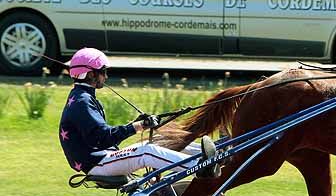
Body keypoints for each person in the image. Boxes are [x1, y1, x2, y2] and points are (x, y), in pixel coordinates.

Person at [58, 47, 217, 178]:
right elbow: (103, 138)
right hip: (97, 163)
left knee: (160, 141)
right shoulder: (82, 102)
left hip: (102, 158)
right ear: (91, 74)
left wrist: (135, 123)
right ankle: (200, 167)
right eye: (103, 71)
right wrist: (138, 125)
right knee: (147, 151)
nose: (106, 76)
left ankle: (215, 153)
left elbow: (102, 138)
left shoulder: (82, 97)